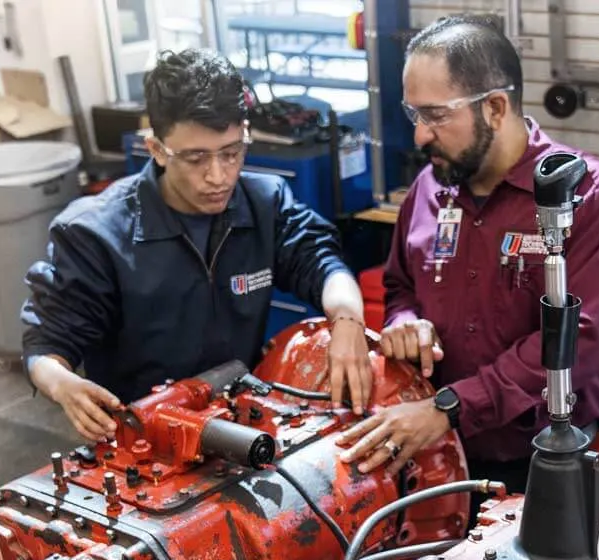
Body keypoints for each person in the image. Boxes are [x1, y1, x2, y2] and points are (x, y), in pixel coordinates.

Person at [338, 15, 599, 489]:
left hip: (546, 464)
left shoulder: (585, 195)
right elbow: (399, 287)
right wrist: (403, 325)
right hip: (437, 453)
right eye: (414, 114)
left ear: (496, 107)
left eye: (436, 115)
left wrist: (453, 407)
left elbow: (581, 341)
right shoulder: (429, 188)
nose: (419, 135)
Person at [22, 49, 372, 441]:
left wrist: (347, 319)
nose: (218, 176)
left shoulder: (264, 203)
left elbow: (321, 261)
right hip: (146, 445)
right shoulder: (94, 233)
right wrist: (62, 384)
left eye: (231, 152)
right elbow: (47, 343)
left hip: (242, 427)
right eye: (196, 158)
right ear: (156, 149)